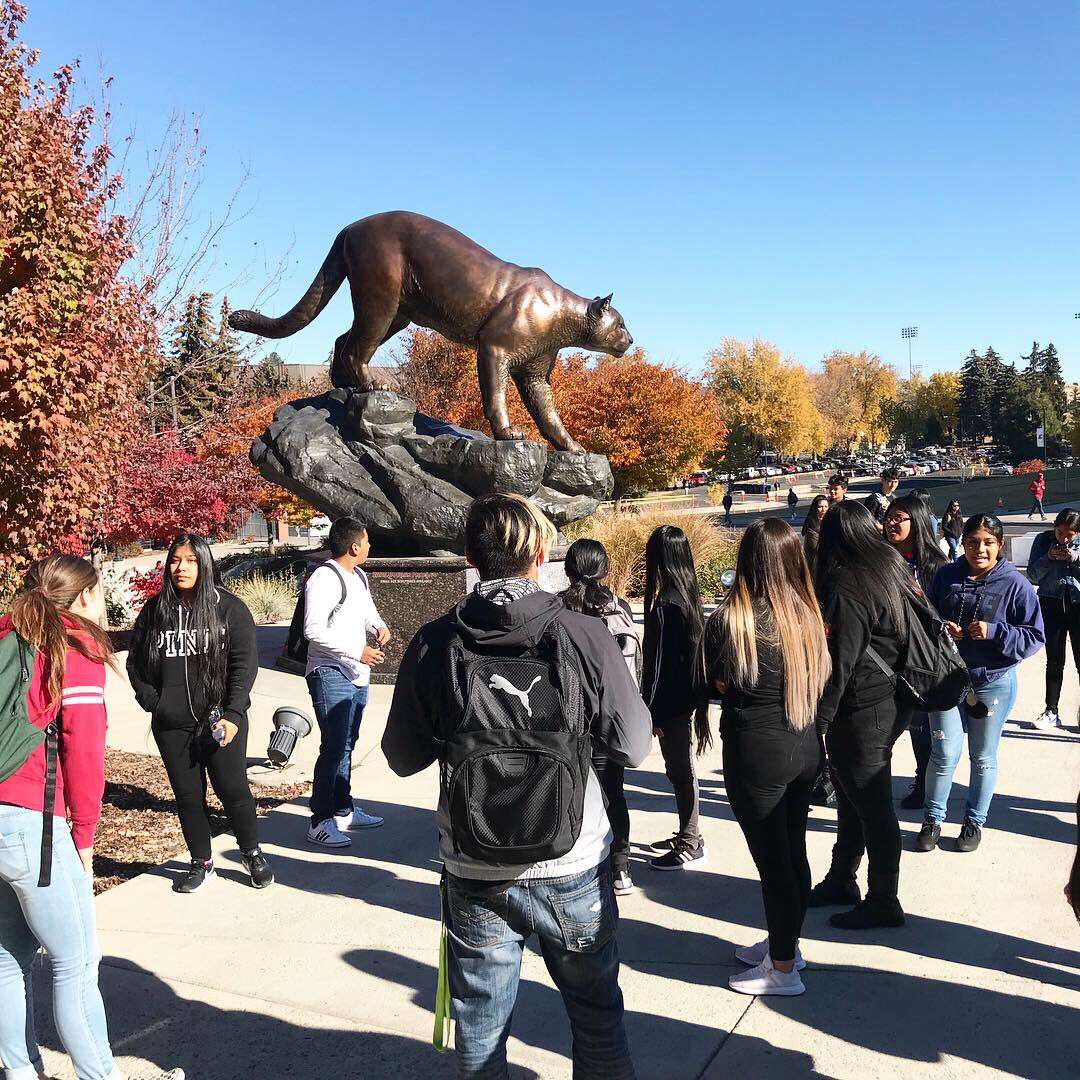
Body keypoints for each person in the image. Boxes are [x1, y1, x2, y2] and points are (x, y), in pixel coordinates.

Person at [383, 493, 652, 1080]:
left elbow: (400, 757)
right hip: (573, 860)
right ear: (540, 551)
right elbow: (634, 745)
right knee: (597, 1019)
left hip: (474, 865)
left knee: (479, 1028)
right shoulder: (585, 634)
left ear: (467, 555)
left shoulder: (434, 642)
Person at [1, 556, 184, 1080]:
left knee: (8, 957)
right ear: (83, 597)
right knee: (76, 962)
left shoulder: (8, 639)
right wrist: (84, 837)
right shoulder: (73, 648)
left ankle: (20, 1072)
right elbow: (83, 754)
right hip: (33, 822)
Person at [705, 520, 831, 997]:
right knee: (791, 853)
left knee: (773, 865)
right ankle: (787, 946)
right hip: (803, 745)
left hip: (757, 752)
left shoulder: (734, 618)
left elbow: (716, 683)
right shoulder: (806, 615)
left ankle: (782, 968)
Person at [128, 533, 271, 892]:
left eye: (190, 560)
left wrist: (234, 714)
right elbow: (136, 664)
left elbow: (244, 667)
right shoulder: (155, 610)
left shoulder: (229, 608)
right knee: (188, 796)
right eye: (175, 560)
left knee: (233, 790)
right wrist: (154, 702)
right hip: (171, 725)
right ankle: (201, 862)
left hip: (221, 720)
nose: (181, 567)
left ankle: (252, 853)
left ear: (204, 563)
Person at [809, 501, 917, 930]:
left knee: (871, 804)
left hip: (864, 707)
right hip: (889, 701)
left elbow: (841, 661)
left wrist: (820, 719)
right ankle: (842, 877)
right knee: (853, 796)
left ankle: (884, 899)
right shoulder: (889, 567)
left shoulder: (849, 585)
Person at [918, 514, 1045, 853]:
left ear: (999, 545)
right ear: (964, 543)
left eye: (988, 542)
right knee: (943, 753)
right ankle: (932, 818)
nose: (980, 549)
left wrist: (995, 632)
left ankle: (974, 821)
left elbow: (1035, 636)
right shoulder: (947, 575)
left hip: (992, 683)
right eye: (973, 541)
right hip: (946, 680)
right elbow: (926, 618)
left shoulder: (1013, 584)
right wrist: (942, 626)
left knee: (982, 756)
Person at [302, 516, 391, 847]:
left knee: (346, 745)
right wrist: (357, 650)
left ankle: (343, 809)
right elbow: (313, 630)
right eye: (366, 541)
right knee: (334, 746)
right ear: (354, 546)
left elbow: (366, 611)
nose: (369, 546)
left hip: (356, 672)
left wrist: (378, 626)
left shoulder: (359, 576)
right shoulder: (324, 579)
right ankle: (320, 820)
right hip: (330, 671)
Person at [561, 538, 642, 895]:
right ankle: (620, 867)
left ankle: (577, 862)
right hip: (611, 717)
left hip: (570, 719)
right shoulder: (618, 607)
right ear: (606, 570)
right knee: (614, 793)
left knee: (571, 791)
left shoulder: (558, 609)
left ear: (568, 570)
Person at [642, 525, 711, 870]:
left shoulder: (667, 605)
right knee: (681, 768)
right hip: (686, 697)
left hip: (670, 702)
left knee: (680, 769)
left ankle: (690, 839)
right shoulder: (687, 596)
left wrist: (651, 710)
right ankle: (690, 830)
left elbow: (658, 667)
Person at [883, 495, 947, 810]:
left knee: (922, 728)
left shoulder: (936, 567)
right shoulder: (882, 560)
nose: (891, 523)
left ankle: (925, 781)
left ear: (918, 522)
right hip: (886, 657)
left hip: (922, 661)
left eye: (900, 518)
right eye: (889, 517)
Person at [1028, 508, 1080, 730]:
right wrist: (1048, 558)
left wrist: (1076, 559)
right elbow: (1032, 575)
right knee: (1054, 660)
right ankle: (1051, 710)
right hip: (1051, 604)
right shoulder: (1042, 541)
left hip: (1078, 605)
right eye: (1060, 533)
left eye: (1070, 535)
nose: (1064, 539)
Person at [801, 495, 829, 575]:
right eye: (820, 507)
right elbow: (815, 548)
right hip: (816, 567)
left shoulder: (830, 521)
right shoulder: (812, 526)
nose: (823, 510)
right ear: (815, 508)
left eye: (826, 506)